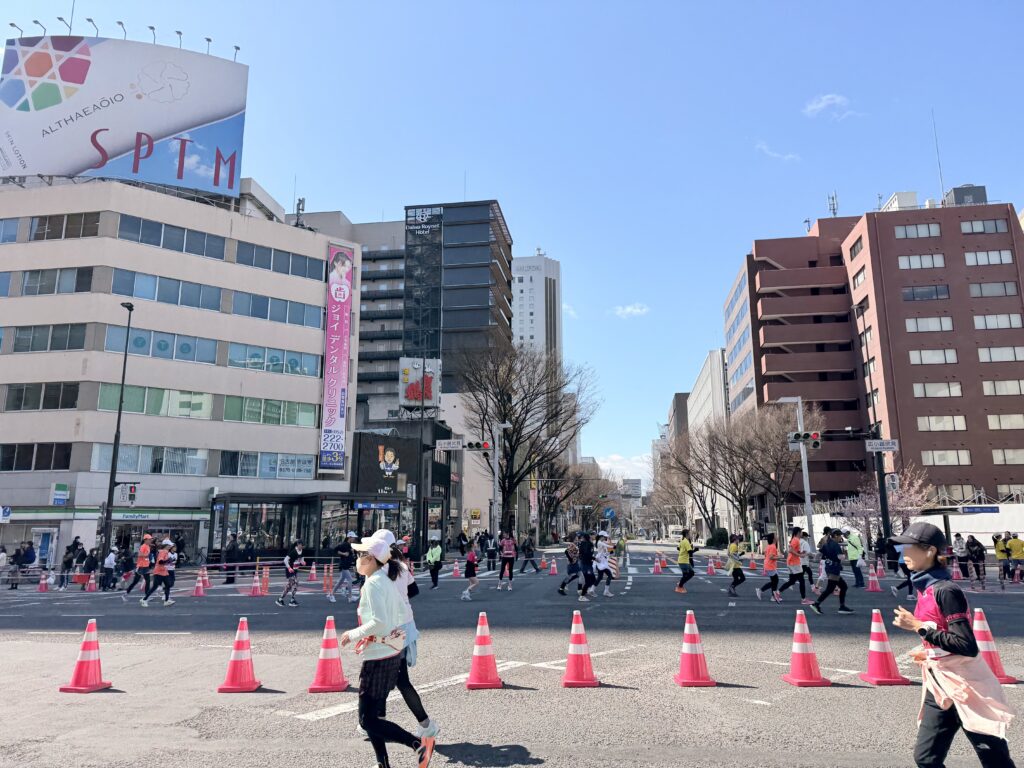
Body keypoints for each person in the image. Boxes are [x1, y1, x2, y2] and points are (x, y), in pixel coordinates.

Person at [889, 522, 1016, 768]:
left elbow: (966, 644)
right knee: (926, 758)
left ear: (929, 551)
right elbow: (941, 634)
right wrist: (927, 649)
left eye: (909, 547)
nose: (903, 553)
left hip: (967, 685)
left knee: (995, 760)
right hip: (940, 683)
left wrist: (919, 627)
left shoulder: (946, 590)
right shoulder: (925, 589)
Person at [339, 537, 435, 768]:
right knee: (373, 717)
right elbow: (399, 614)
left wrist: (354, 634)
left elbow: (380, 622)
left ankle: (419, 744)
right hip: (389, 651)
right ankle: (383, 763)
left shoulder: (373, 583)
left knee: (367, 720)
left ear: (371, 558)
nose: (357, 559)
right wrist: (372, 636)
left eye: (361, 554)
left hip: (378, 658)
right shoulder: (385, 579)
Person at [810, 529, 853, 615]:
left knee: (843, 586)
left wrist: (815, 559)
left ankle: (842, 606)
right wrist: (845, 555)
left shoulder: (827, 543)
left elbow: (819, 553)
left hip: (829, 567)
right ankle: (816, 604)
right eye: (840, 535)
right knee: (830, 589)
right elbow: (840, 557)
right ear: (836, 536)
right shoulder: (835, 545)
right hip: (834, 568)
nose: (841, 537)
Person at [779, 526, 813, 604]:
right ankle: (804, 599)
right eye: (801, 532)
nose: (802, 533)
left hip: (791, 562)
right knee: (801, 580)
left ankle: (777, 592)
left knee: (792, 581)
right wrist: (799, 555)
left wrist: (801, 553)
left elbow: (794, 550)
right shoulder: (796, 540)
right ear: (798, 532)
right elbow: (790, 550)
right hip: (794, 563)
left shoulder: (794, 539)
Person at [141, 540, 175, 607]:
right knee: (154, 587)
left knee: (168, 585)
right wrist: (169, 560)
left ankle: (166, 601)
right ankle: (144, 600)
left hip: (164, 571)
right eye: (169, 545)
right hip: (158, 572)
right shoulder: (163, 552)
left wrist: (170, 561)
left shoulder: (165, 552)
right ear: (166, 545)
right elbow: (160, 562)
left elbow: (164, 562)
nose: (170, 546)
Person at [328, 531, 357, 604]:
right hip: (343, 565)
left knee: (340, 581)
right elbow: (335, 550)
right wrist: (343, 553)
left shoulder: (349, 545)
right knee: (350, 580)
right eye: (353, 537)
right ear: (349, 537)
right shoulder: (344, 544)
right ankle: (350, 597)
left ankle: (331, 594)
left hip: (346, 565)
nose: (354, 539)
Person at [123, 534, 154, 601]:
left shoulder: (148, 546)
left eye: (151, 539)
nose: (150, 540)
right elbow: (139, 554)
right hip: (141, 566)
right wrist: (146, 555)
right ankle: (126, 593)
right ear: (145, 540)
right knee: (136, 581)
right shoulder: (143, 546)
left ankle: (146, 596)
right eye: (149, 539)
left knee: (147, 581)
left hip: (145, 566)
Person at [275, 540, 305, 607]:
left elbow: (302, 559)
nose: (302, 547)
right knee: (295, 583)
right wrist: (289, 568)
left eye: (303, 546)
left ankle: (280, 599)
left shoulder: (302, 551)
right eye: (301, 545)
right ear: (298, 544)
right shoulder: (293, 551)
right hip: (290, 570)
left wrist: (303, 562)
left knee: (289, 586)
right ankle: (292, 600)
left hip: (295, 570)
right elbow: (285, 560)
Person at [756, 532, 782, 603]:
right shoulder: (773, 546)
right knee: (775, 581)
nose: (777, 537)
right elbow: (771, 557)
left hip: (768, 565)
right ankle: (761, 590)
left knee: (774, 581)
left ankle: (773, 596)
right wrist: (780, 556)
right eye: (776, 536)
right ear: (774, 539)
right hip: (770, 566)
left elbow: (766, 554)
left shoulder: (769, 546)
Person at [558, 532, 581, 596]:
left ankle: (561, 588)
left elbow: (575, 553)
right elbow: (566, 551)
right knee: (579, 575)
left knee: (570, 576)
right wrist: (571, 559)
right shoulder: (572, 545)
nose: (577, 539)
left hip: (574, 562)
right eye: (576, 539)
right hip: (572, 563)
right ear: (573, 539)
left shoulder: (575, 544)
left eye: (577, 538)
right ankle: (580, 591)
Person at [674, 529, 696, 595]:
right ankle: (680, 585)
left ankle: (681, 584)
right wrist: (695, 550)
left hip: (681, 560)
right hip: (684, 561)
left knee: (685, 574)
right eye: (689, 533)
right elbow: (690, 552)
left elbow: (678, 548)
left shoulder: (682, 541)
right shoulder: (686, 542)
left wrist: (683, 550)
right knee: (691, 573)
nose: (690, 535)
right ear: (686, 534)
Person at [594, 531, 615, 597]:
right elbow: (606, 546)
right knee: (609, 575)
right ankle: (606, 591)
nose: (606, 538)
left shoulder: (601, 542)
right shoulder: (600, 543)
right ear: (601, 536)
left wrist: (610, 553)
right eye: (605, 537)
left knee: (600, 577)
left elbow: (605, 553)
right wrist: (613, 547)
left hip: (602, 561)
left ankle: (592, 589)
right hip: (600, 562)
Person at [577, 532, 596, 602]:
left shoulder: (581, 544)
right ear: (589, 537)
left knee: (588, 579)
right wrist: (595, 559)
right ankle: (582, 596)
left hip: (583, 563)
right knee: (591, 579)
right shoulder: (590, 544)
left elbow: (580, 554)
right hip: (587, 564)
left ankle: (585, 591)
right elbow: (589, 554)